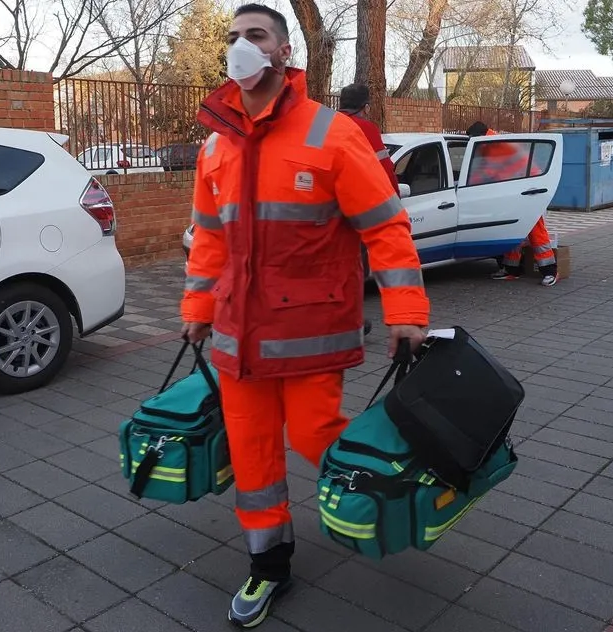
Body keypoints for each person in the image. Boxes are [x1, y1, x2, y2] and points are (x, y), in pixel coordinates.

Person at [181, 4, 431, 627]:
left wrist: (406, 311)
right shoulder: (216, 145)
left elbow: (386, 228)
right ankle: (268, 565)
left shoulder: (331, 134)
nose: (241, 46)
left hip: (311, 332)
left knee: (316, 435)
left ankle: (400, 491)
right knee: (254, 457)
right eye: (233, 37)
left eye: (256, 35)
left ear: (284, 52)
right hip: (239, 337)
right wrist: (196, 307)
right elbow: (209, 238)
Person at [466, 121, 559, 287]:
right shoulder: (492, 143)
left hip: (529, 191)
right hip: (517, 191)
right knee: (512, 230)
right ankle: (512, 269)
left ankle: (550, 271)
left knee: (536, 232)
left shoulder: (495, 147)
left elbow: (486, 174)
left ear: (478, 136)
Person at [338, 83, 400, 194]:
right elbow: (384, 168)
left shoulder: (326, 124)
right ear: (366, 108)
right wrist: (395, 197)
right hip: (353, 198)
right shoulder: (366, 129)